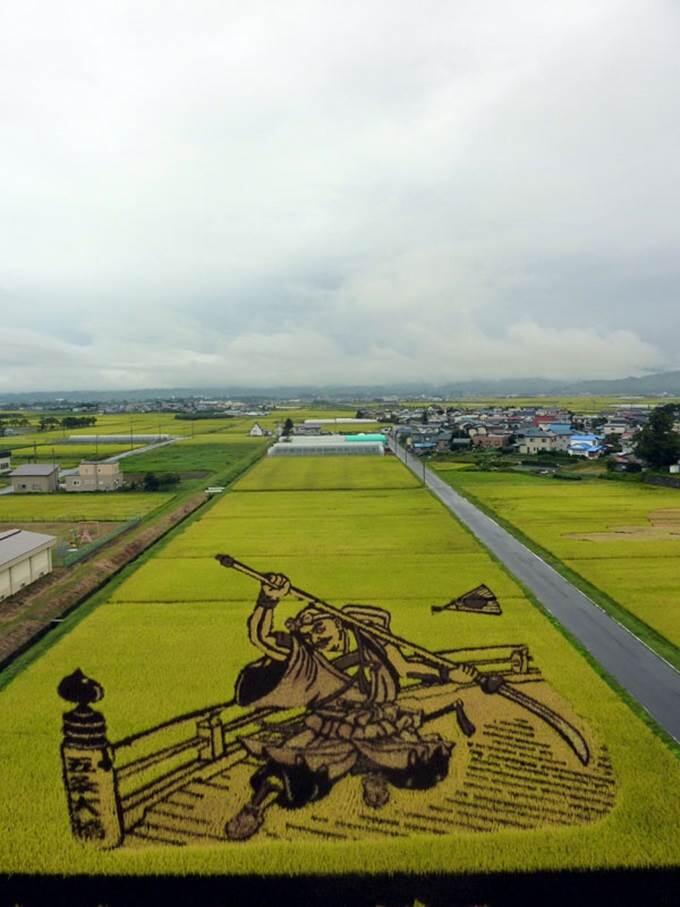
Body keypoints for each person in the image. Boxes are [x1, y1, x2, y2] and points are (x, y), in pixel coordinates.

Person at [225, 572, 474, 841]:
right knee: (293, 766)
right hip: (332, 725)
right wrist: (268, 599)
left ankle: (374, 775)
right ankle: (253, 810)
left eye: (320, 628)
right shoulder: (308, 658)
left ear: (337, 622)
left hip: (377, 719)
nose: (317, 638)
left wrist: (450, 675)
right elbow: (260, 637)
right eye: (309, 635)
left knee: (414, 759)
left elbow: (406, 667)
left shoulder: (370, 637)